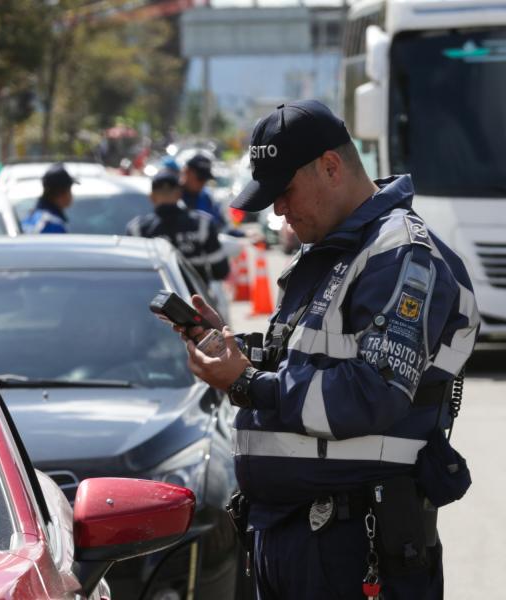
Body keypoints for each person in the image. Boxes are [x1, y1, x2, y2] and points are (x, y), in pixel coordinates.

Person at [174, 100, 479, 599]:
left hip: (351, 543)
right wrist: (236, 349)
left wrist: (247, 384)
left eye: (285, 190)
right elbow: (308, 360)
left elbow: (372, 393)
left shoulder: (400, 254)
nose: (278, 210)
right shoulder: (334, 248)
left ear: (331, 168)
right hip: (294, 535)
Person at [127, 169, 230, 283]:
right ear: (179, 194)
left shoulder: (137, 229)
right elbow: (221, 271)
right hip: (195, 299)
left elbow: (132, 276)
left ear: (152, 197)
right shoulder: (202, 224)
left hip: (155, 299)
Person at [22, 164, 76, 234]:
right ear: (60, 193)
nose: (71, 195)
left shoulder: (30, 217)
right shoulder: (53, 225)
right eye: (69, 190)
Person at [182, 154, 228, 229]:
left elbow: (222, 227)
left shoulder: (207, 198)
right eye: (200, 178)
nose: (202, 183)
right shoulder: (173, 197)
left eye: (205, 178)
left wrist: (243, 235)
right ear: (187, 172)